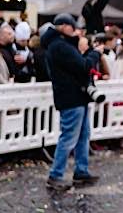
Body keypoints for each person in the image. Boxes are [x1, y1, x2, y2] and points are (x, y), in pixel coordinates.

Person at [42, 13, 103, 191]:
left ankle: (81, 171)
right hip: (71, 97)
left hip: (76, 97)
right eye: (72, 26)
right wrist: (95, 54)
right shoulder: (60, 46)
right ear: (62, 26)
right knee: (69, 137)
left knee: (83, 136)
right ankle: (55, 175)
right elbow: (83, 66)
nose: (75, 29)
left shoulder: (59, 44)